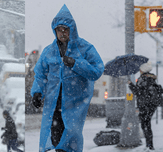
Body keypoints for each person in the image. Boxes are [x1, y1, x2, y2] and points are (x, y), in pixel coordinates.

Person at [30, 4, 104, 152]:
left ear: (72, 29)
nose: (62, 32)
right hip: (54, 104)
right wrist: (37, 92)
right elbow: (40, 74)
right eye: (59, 29)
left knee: (72, 137)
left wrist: (76, 64)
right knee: (57, 138)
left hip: (75, 104)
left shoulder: (85, 48)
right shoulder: (48, 51)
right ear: (55, 30)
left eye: (65, 29)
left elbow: (97, 70)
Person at [128, 62, 163, 150]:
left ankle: (149, 146)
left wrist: (130, 85)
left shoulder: (143, 79)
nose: (139, 71)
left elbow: (138, 92)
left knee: (145, 124)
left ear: (143, 70)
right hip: (152, 104)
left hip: (145, 104)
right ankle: (149, 145)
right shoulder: (152, 78)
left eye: (140, 69)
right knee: (147, 123)